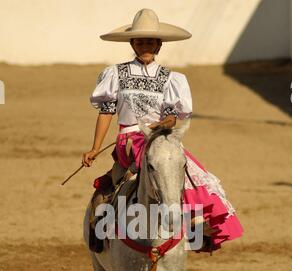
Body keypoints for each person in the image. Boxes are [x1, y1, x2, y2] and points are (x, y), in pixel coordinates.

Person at [82, 8, 244, 253]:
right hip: (129, 141)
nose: (145, 45)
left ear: (158, 46)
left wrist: (164, 124)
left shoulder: (172, 78)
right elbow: (106, 111)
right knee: (166, 163)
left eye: (150, 41)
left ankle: (195, 223)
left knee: (183, 164)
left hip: (159, 138)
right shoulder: (115, 74)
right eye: (139, 41)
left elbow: (172, 118)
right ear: (132, 44)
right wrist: (95, 147)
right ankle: (193, 221)